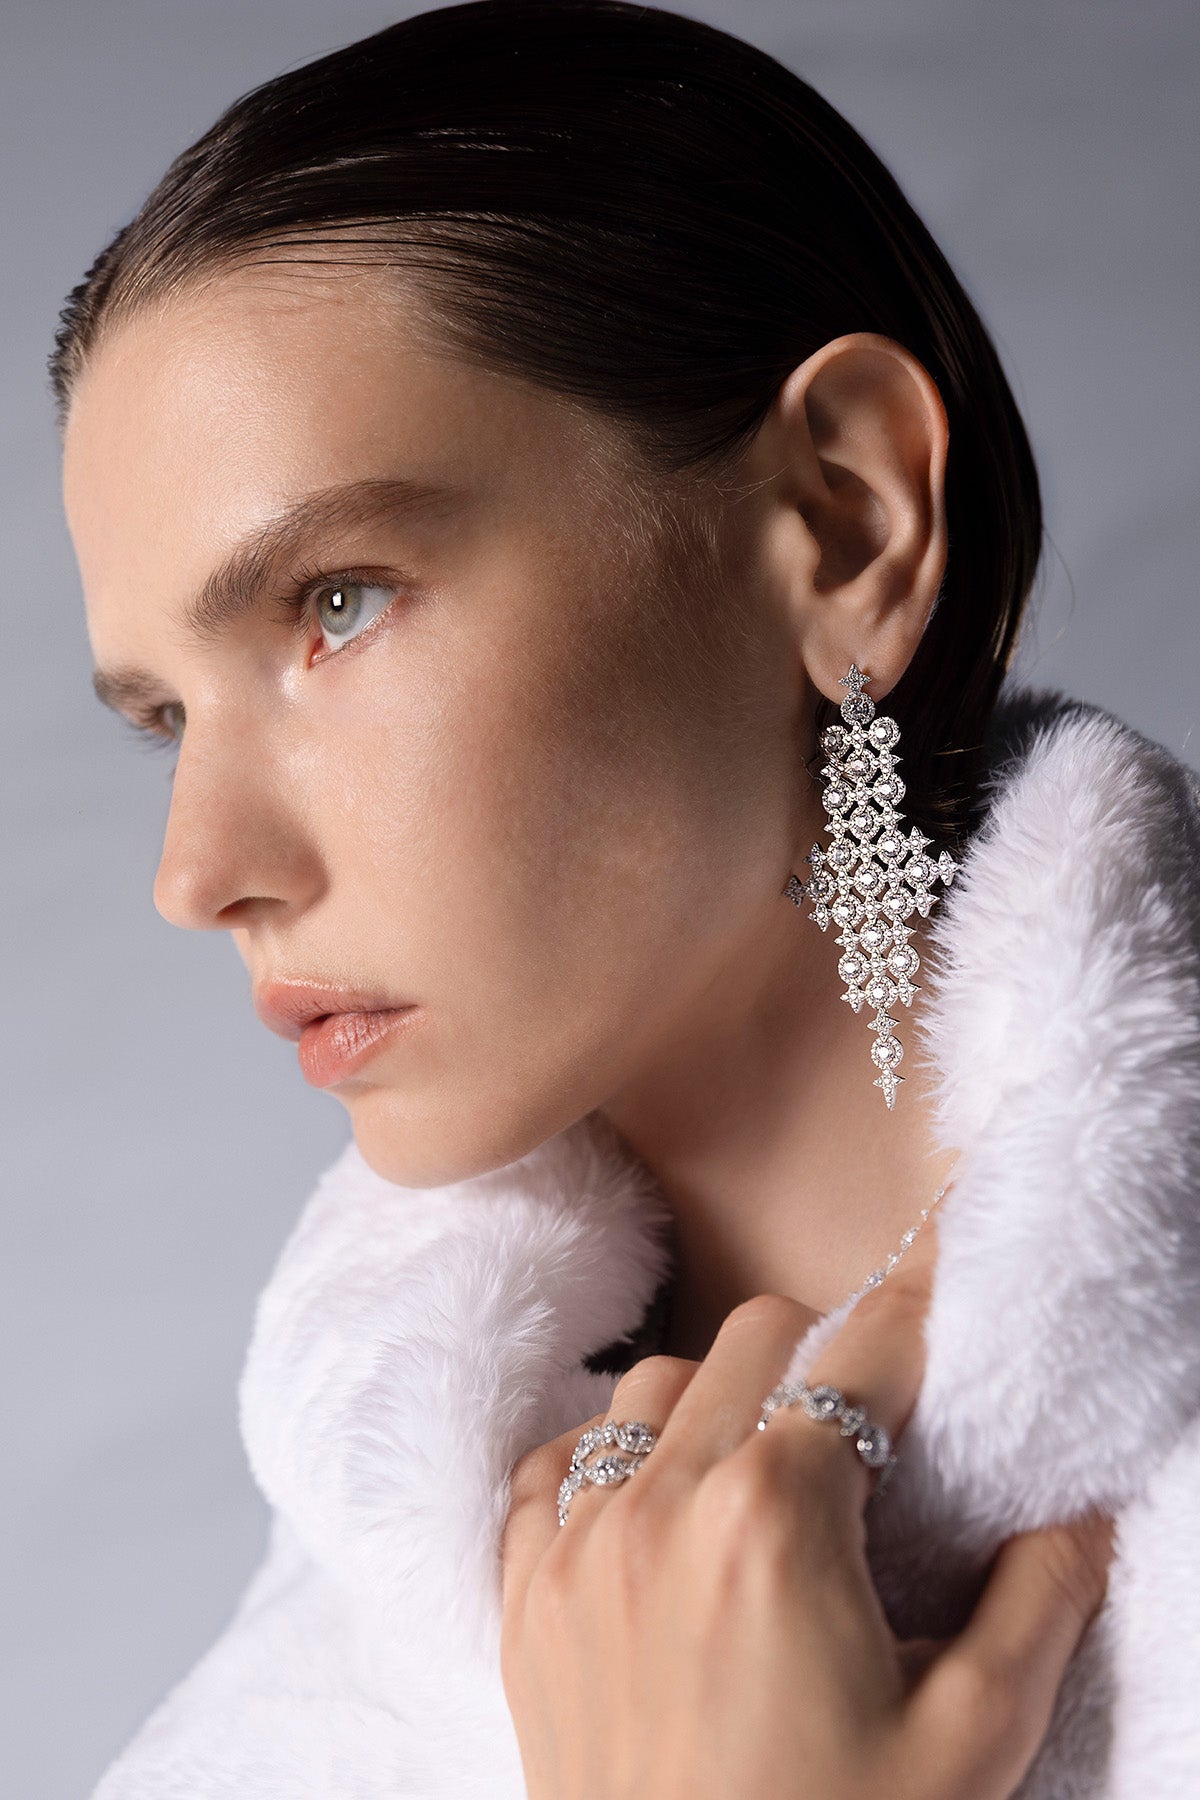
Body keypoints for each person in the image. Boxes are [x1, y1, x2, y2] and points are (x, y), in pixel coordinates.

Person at [52, 2, 1199, 1796]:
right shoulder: (305, 1698)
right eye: (166, 721)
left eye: (336, 603)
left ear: (844, 519)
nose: (196, 874)